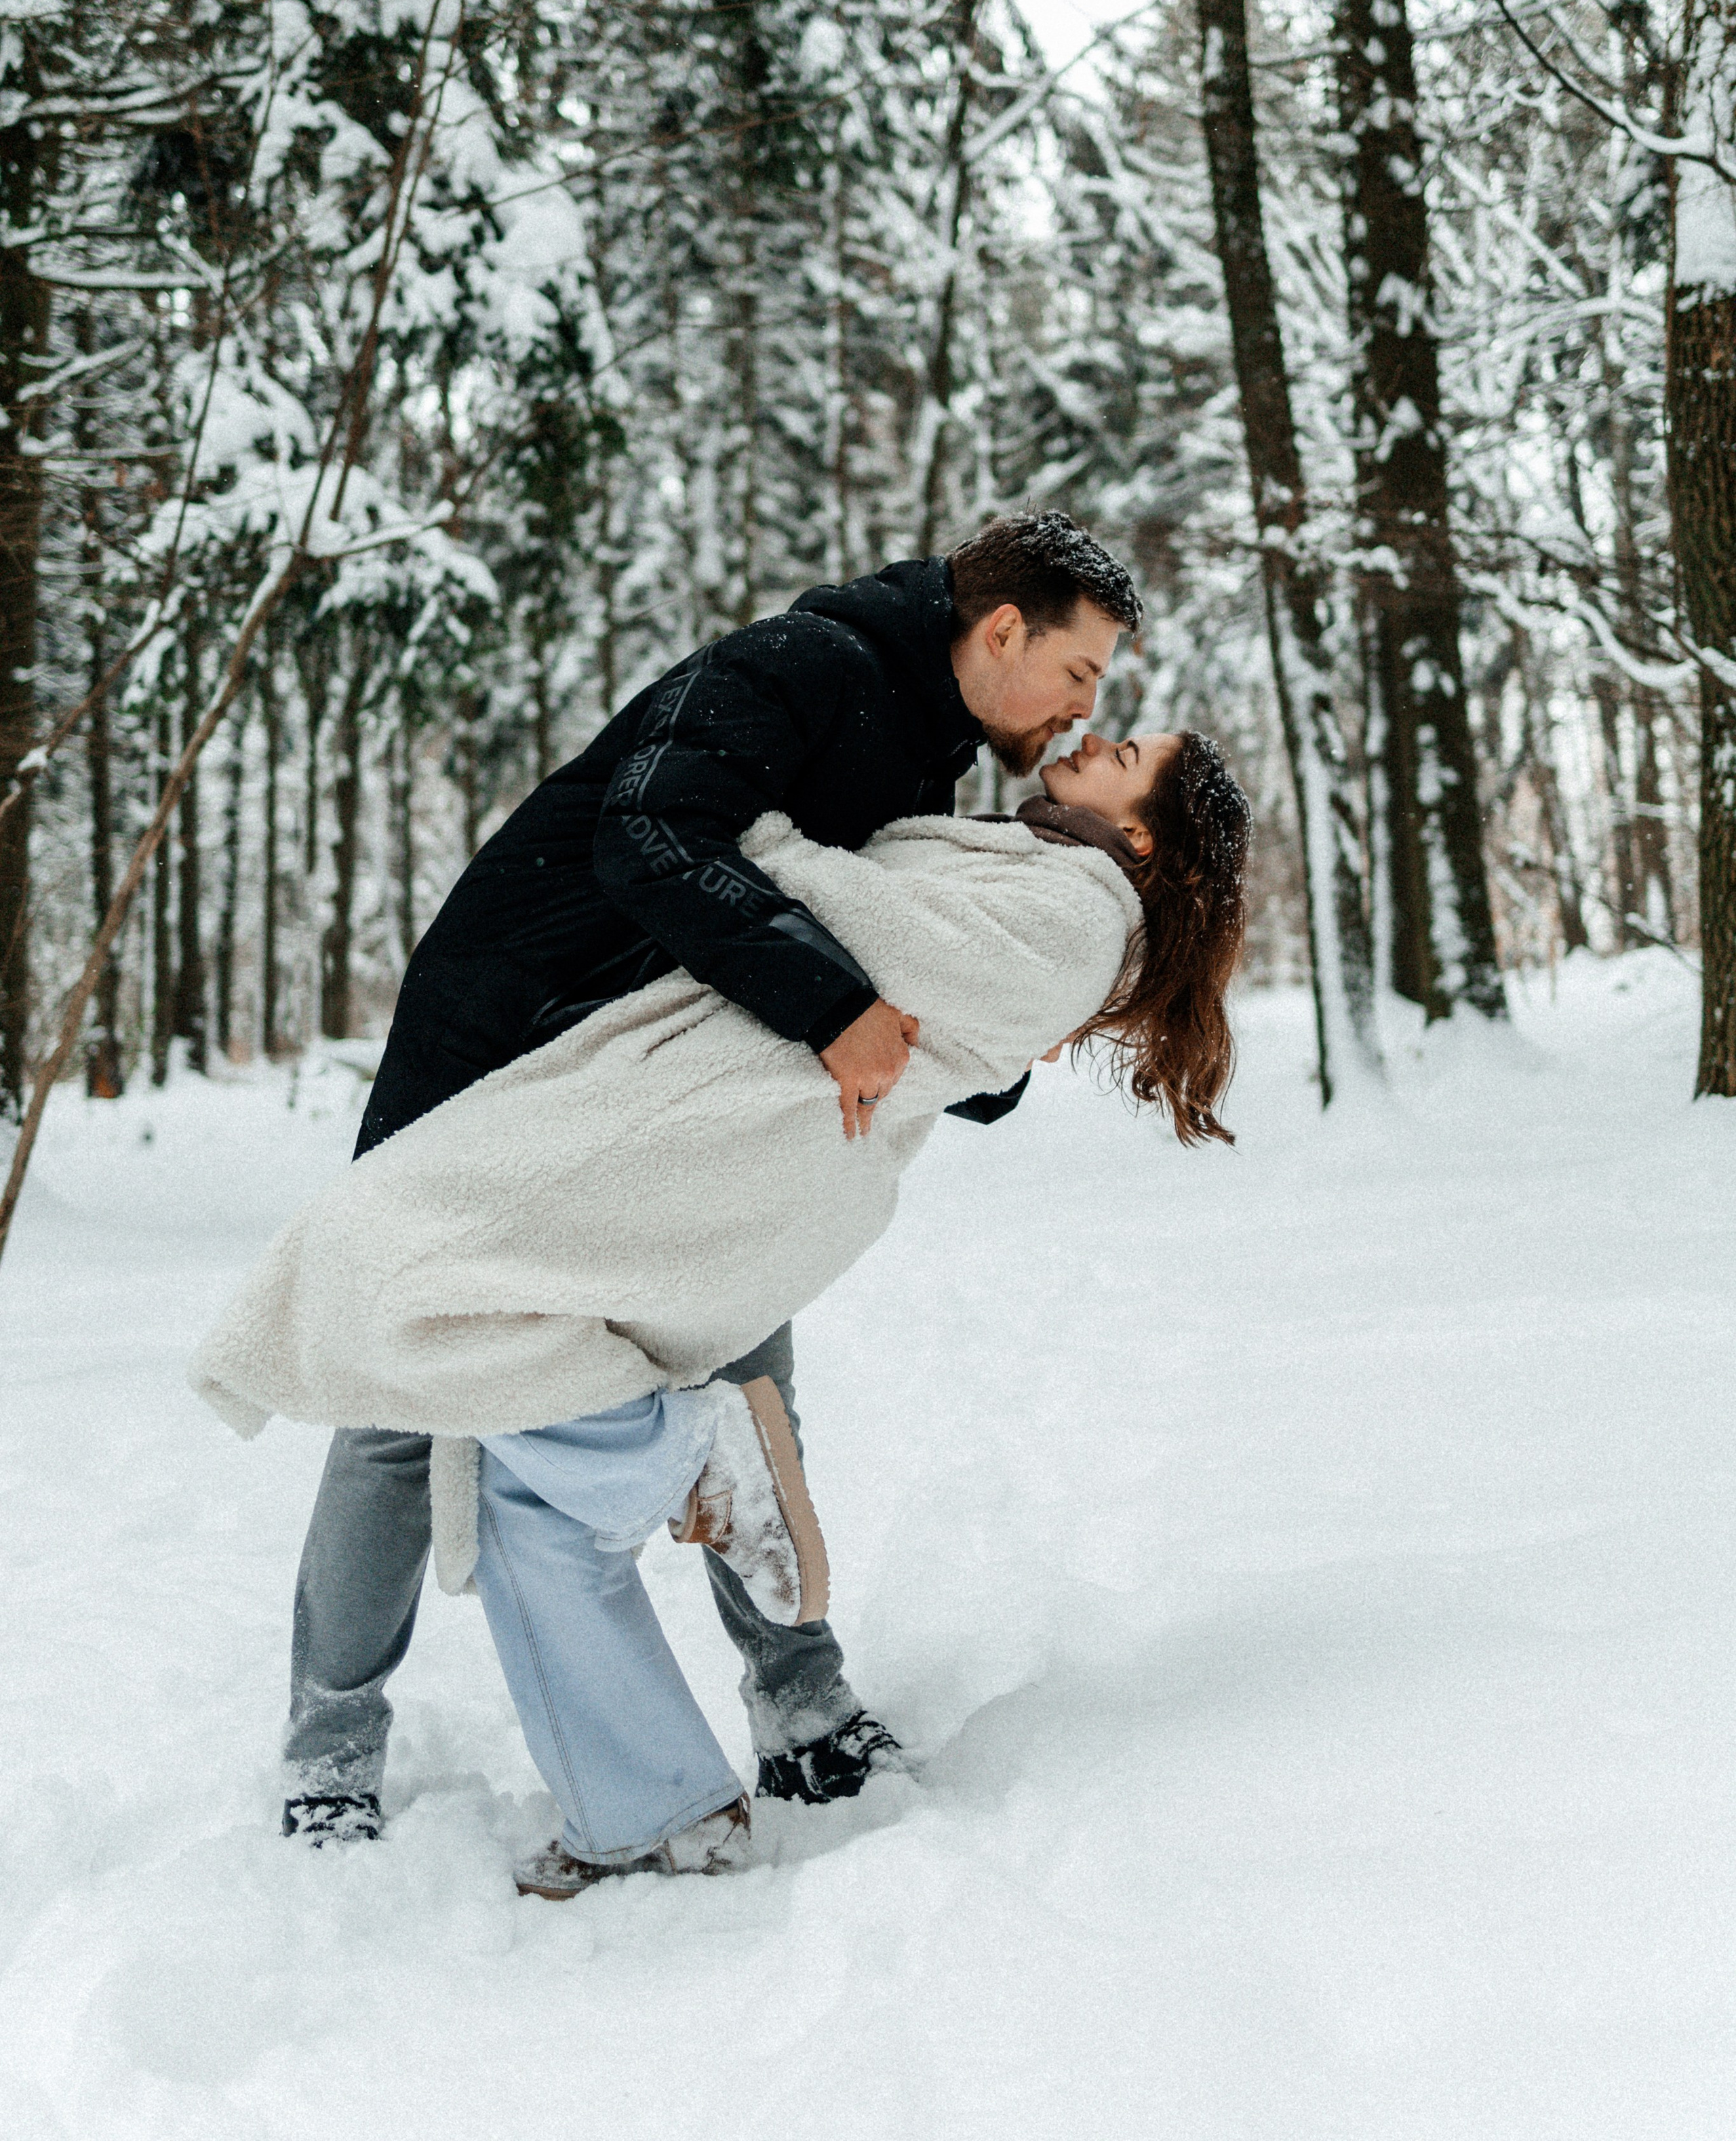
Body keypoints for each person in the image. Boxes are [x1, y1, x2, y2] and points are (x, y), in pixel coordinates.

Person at [194, 726, 1252, 1896]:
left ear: (1140, 833)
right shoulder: (1020, 851)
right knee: (520, 1503)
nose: (1090, 725)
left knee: (405, 1308)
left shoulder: (1078, 909)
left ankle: (680, 1466)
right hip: (699, 1118)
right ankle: (659, 1810)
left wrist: (755, 853)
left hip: (717, 1141)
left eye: (1123, 742)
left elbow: (894, 943)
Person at [272, 512, 1145, 1843]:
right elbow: (648, 833)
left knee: (746, 1368)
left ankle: (803, 1711)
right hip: (505, 1041)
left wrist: (992, 1041)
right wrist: (830, 1005)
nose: (1084, 707)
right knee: (400, 1395)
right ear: (1005, 629)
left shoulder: (930, 751)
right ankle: (328, 1757)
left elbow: (878, 942)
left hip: (664, 1095)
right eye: (1078, 672)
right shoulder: (802, 664)